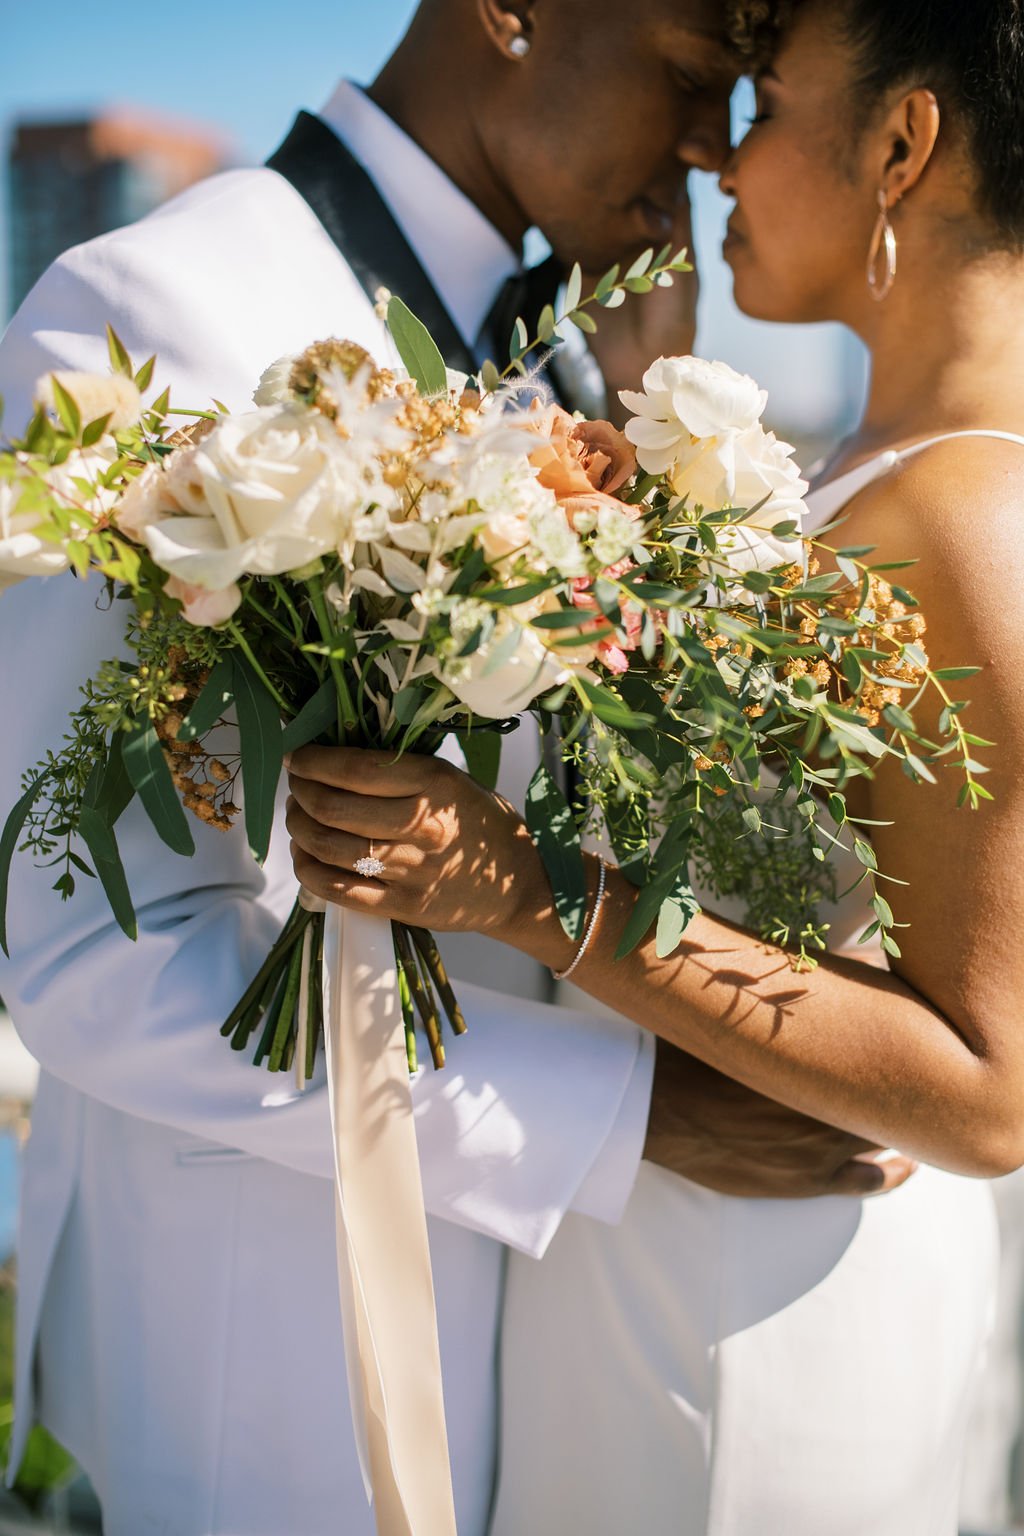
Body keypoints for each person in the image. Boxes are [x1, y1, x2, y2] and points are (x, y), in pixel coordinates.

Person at [0, 1, 907, 1531]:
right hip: (273, 1372)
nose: (711, 145)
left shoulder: (589, 354)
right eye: (693, 76)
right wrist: (632, 1113)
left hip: (579, 1371)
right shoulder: (154, 303)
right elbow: (91, 949)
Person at [286, 0, 1024, 1529]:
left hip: (755, 1330)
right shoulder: (877, 470)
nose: (717, 165)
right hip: (663, 1267)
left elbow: (992, 1090)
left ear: (902, 144)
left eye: (756, 105)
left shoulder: (965, 512)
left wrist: (530, 891)